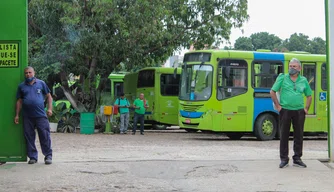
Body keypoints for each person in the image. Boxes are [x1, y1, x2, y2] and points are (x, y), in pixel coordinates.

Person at [270, 58, 312, 169]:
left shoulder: (303, 80)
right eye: (290, 66)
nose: (291, 68)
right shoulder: (282, 78)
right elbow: (272, 91)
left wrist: (306, 108)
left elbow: (309, 95)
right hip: (285, 110)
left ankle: (297, 158)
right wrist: (278, 106)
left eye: (294, 66)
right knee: (284, 135)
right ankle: (284, 159)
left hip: (299, 111)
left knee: (299, 135)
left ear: (299, 68)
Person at [14, 66, 53, 165]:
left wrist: (49, 109)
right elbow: (19, 101)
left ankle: (48, 156)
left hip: (40, 115)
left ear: (34, 73)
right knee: (29, 137)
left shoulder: (41, 83)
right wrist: (17, 115)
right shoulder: (21, 86)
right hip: (27, 116)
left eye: (30, 72)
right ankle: (32, 157)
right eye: (26, 73)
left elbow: (49, 96)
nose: (28, 74)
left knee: (44, 135)